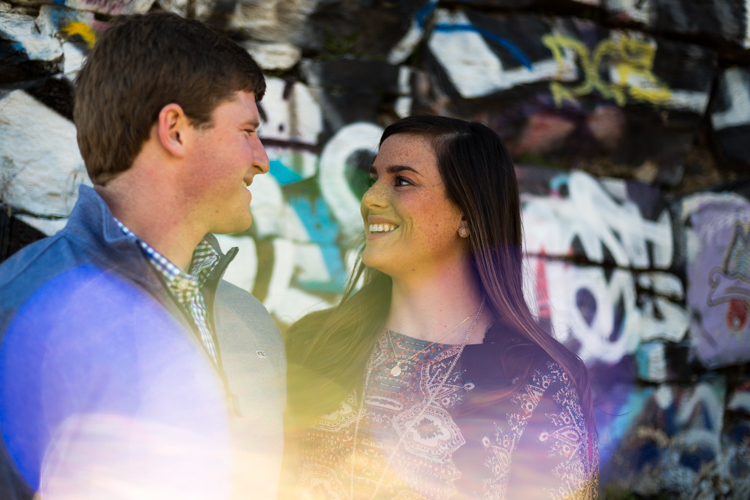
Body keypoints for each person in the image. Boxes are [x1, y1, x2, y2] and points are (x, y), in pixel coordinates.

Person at [0, 13, 285, 500]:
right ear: (175, 129)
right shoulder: (23, 302)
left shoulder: (249, 321)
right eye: (246, 130)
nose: (263, 158)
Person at [284, 115, 599, 499]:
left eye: (402, 181)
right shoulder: (312, 343)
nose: (370, 199)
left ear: (467, 213)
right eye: (374, 179)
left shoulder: (535, 383)